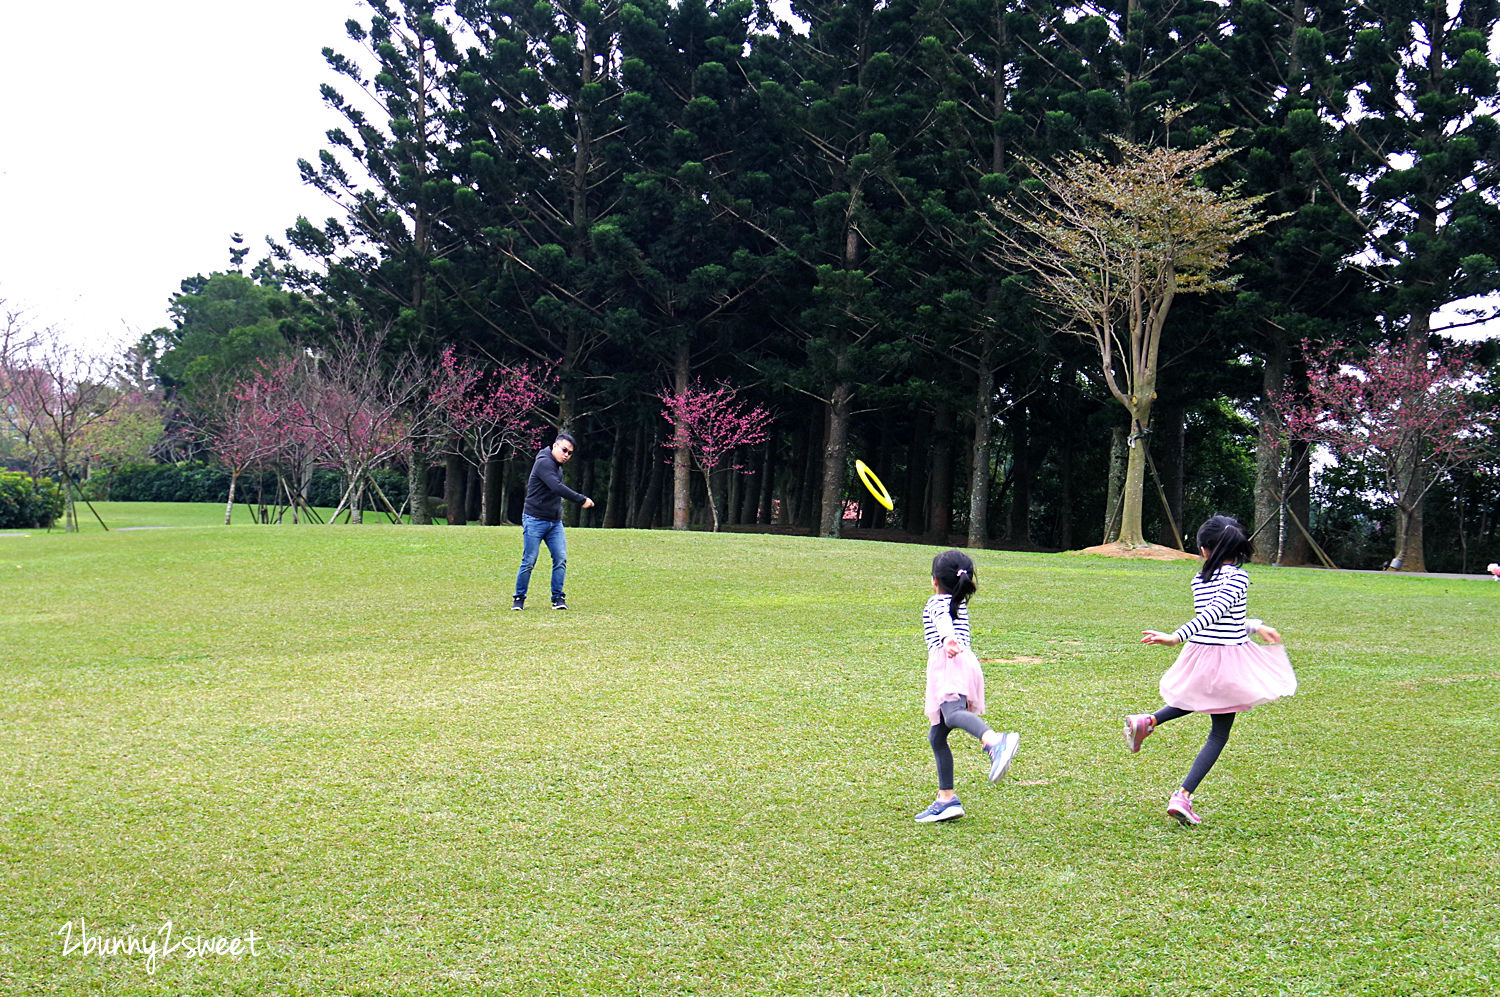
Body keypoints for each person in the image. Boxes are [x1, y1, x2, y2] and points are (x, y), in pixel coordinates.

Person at [1125, 514, 1297, 826]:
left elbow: (1225, 618)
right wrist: (1175, 636)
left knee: (1195, 699)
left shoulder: (1200, 578)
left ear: (1205, 550)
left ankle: (1147, 721)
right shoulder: (1238, 578)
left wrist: (1256, 626)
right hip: (1224, 660)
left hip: (1201, 655)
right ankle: (1183, 796)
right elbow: (1216, 614)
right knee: (1219, 732)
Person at [914, 549, 1020, 823]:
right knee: (937, 736)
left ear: (935, 580)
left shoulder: (937, 602)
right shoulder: (957, 602)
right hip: (964, 662)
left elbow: (942, 621)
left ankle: (995, 741)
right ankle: (946, 800)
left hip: (950, 662)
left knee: (952, 713)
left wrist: (947, 639)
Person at [512, 432, 594, 611]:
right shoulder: (544, 463)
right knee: (529, 560)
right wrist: (581, 499)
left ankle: (558, 598)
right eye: (564, 450)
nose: (566, 455)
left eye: (570, 453)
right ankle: (519, 598)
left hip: (554, 523)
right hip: (534, 519)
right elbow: (556, 487)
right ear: (555, 446)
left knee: (560, 559)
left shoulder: (557, 466)